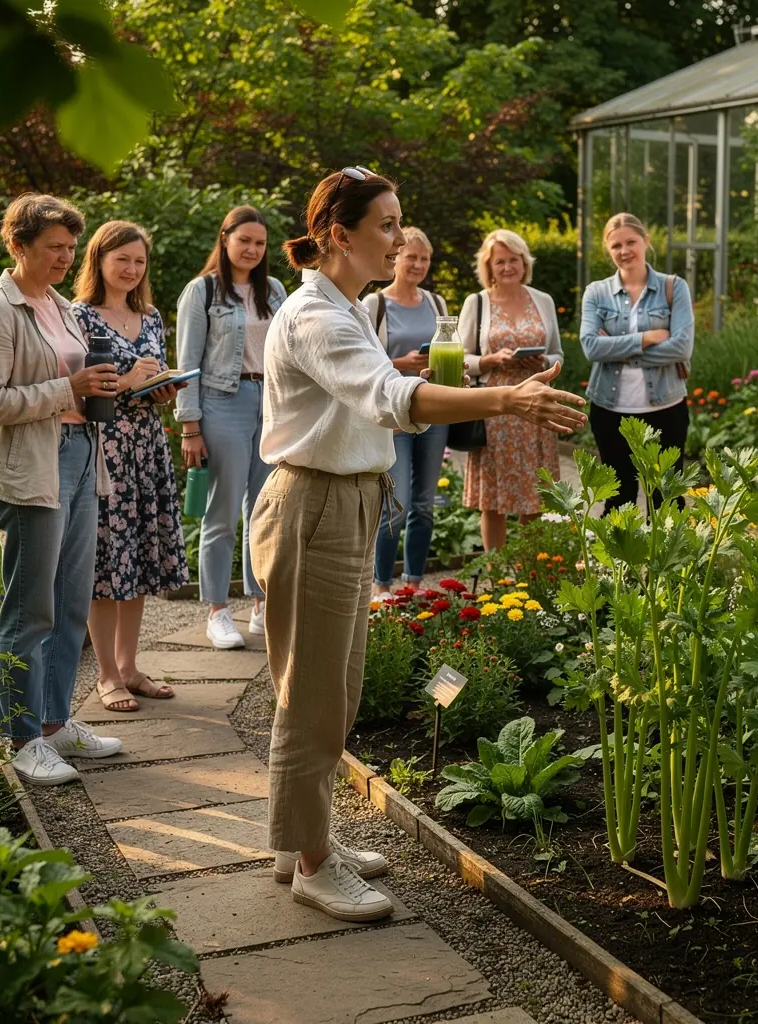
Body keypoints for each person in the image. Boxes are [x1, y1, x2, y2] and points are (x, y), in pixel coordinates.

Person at [250, 167, 585, 923]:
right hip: (315, 505)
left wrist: (465, 372)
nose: (401, 239)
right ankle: (311, 864)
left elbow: (377, 382)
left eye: (401, 224)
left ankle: (302, 839)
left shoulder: (340, 308)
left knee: (331, 687)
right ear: (340, 234)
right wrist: (508, 397)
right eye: (388, 226)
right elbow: (390, 399)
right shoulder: (317, 315)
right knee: (312, 695)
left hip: (342, 501)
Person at [0, 193, 123, 785]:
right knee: (30, 607)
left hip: (83, 454)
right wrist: (69, 388)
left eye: (69, 248)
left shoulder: (60, 305)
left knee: (70, 603)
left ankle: (56, 723)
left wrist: (115, 387)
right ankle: (21, 736)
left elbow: (74, 381)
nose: (65, 258)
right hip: (33, 466)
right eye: (53, 248)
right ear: (18, 245)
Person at [72, 221, 190, 712]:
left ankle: (130, 667)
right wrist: (124, 382)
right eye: (122, 259)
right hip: (106, 450)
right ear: (99, 260)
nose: (131, 269)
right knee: (107, 563)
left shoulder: (151, 316)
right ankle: (104, 675)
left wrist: (161, 388)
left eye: (139, 261)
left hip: (146, 448)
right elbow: (78, 390)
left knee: (138, 558)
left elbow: (150, 383)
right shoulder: (78, 316)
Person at [175, 206, 288, 649]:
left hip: (272, 404)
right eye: (245, 241)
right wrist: (190, 425)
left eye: (260, 244)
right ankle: (218, 610)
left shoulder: (275, 290)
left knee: (265, 510)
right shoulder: (202, 291)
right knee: (221, 511)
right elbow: (186, 364)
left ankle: (260, 603)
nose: (253, 250)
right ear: (225, 239)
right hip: (223, 402)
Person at [579, 212, 694, 514]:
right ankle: (619, 563)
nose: (624, 251)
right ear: (608, 249)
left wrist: (616, 349)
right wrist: (647, 338)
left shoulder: (674, 287)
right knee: (619, 499)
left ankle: (667, 562)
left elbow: (681, 347)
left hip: (665, 409)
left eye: (631, 242)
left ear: (646, 242)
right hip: (610, 410)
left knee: (666, 499)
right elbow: (591, 347)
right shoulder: (596, 292)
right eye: (616, 245)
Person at [458, 229, 564, 551]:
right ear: (488, 267)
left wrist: (545, 361)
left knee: (535, 495)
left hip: (536, 403)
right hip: (495, 406)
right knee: (494, 498)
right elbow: (459, 357)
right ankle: (497, 573)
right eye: (499, 261)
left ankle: (531, 571)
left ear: (524, 262)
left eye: (513, 260)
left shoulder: (542, 300)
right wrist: (488, 360)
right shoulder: (477, 303)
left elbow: (558, 352)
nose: (507, 267)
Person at [362, 227, 449, 596]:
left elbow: (450, 348)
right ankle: (382, 586)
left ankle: (413, 584)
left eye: (424, 258)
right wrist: (402, 361)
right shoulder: (373, 304)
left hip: (432, 410)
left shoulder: (437, 304)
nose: (417, 264)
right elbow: (362, 360)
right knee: (393, 506)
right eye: (411, 256)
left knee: (424, 504)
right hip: (393, 415)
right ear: (395, 257)